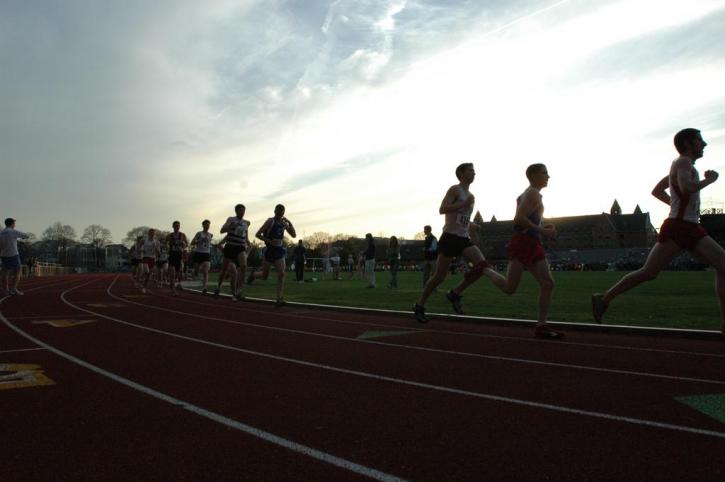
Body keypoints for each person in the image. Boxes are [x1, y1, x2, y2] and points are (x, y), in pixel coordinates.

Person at [592, 128, 725, 333]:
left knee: (651, 272)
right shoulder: (683, 162)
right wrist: (710, 181)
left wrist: (675, 204)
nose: (704, 144)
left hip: (685, 225)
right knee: (650, 272)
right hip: (681, 227)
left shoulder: (681, 165)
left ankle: (604, 298)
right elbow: (687, 187)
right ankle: (604, 298)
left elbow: (658, 190)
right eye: (700, 140)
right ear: (688, 144)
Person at [482, 164, 564, 339]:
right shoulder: (532, 193)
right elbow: (518, 219)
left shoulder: (530, 194)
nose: (548, 176)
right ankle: (484, 269)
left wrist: (543, 226)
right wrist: (543, 231)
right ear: (533, 175)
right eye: (545, 173)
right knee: (509, 288)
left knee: (548, 283)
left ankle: (541, 326)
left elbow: (528, 218)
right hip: (522, 243)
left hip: (533, 243)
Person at [413, 163, 493, 322]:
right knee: (439, 276)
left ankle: (455, 293)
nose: (474, 173)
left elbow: (461, 218)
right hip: (450, 237)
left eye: (474, 170)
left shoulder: (470, 195)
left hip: (463, 238)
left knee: (482, 267)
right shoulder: (455, 190)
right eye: (471, 170)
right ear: (461, 173)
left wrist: (471, 225)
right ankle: (419, 305)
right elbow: (442, 209)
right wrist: (464, 204)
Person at [247, 204, 297, 306]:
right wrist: (269, 241)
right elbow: (257, 234)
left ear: (283, 213)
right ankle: (254, 275)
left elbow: (294, 235)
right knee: (265, 276)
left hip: (279, 250)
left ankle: (279, 298)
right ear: (275, 212)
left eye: (281, 213)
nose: (279, 215)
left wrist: (290, 223)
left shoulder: (283, 223)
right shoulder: (270, 221)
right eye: (278, 213)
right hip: (270, 250)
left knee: (282, 273)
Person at [216, 204, 250, 300]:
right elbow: (222, 230)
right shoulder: (231, 219)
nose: (242, 212)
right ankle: (219, 286)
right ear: (236, 211)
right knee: (224, 269)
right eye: (240, 210)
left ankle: (239, 290)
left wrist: (248, 242)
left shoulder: (246, 223)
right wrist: (231, 226)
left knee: (243, 266)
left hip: (240, 247)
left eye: (243, 210)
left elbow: (246, 236)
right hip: (230, 246)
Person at [0, 218, 30, 295]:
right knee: (17, 271)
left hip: (3, 254)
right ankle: (13, 288)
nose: (15, 225)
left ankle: (5, 289)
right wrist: (22, 237)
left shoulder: (1, 232)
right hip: (13, 254)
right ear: (11, 224)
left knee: (4, 272)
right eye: (14, 223)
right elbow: (26, 235)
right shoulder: (12, 231)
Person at [190, 220, 213, 294]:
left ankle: (204, 288)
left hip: (206, 254)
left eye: (208, 225)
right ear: (203, 225)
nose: (207, 226)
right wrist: (199, 240)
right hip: (198, 253)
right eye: (206, 225)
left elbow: (209, 243)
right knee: (197, 271)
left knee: (206, 272)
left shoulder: (211, 235)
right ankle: (194, 272)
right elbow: (192, 243)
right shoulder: (199, 233)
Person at [166, 221, 189, 296]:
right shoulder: (169, 235)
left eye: (178, 225)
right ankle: (173, 290)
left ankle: (178, 283)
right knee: (173, 274)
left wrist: (184, 245)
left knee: (179, 273)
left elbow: (186, 244)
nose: (177, 227)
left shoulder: (182, 235)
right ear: (173, 226)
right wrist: (167, 247)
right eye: (175, 225)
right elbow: (164, 243)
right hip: (172, 255)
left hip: (179, 255)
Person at [140, 228, 160, 293]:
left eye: (153, 233)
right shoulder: (144, 240)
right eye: (150, 233)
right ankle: (141, 278)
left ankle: (144, 287)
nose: (152, 234)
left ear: (154, 234)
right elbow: (139, 248)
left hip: (152, 258)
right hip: (145, 257)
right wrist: (142, 250)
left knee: (149, 274)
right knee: (147, 271)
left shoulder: (157, 242)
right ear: (148, 234)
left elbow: (159, 252)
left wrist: (156, 248)